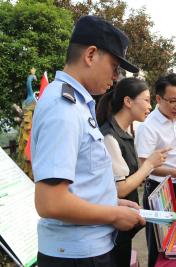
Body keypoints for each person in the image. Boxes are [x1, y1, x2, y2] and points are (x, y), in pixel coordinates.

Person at [31, 15, 145, 267]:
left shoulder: (78, 105)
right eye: (115, 66)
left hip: (85, 250)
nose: (116, 77)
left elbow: (79, 184)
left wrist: (109, 201)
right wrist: (113, 214)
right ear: (91, 55)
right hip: (77, 255)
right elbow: (50, 202)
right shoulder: (64, 108)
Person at [96, 77, 170, 267]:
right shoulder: (110, 137)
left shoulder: (122, 134)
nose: (150, 106)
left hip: (122, 226)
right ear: (128, 101)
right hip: (113, 230)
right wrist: (149, 165)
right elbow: (120, 189)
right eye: (146, 100)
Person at [135, 73, 176, 267]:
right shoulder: (148, 126)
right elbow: (145, 165)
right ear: (158, 99)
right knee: (160, 245)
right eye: (172, 101)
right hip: (158, 190)